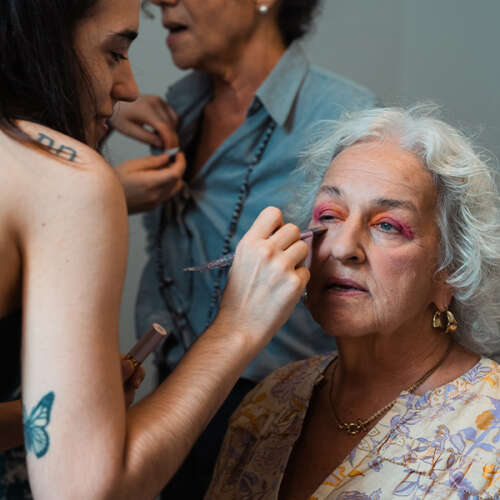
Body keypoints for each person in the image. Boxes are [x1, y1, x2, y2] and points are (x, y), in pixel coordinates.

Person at [0, 0, 310, 497]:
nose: (130, 89)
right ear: (41, 41)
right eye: (113, 53)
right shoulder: (66, 178)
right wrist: (237, 326)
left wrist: (52, 417)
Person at [109, 1, 376, 494]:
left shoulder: (348, 119)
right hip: (172, 397)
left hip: (286, 416)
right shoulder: (174, 109)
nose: (161, 3)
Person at [205, 105, 500, 499]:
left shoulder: (490, 436)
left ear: (451, 269)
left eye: (387, 226)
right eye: (330, 216)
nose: (342, 248)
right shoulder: (268, 403)